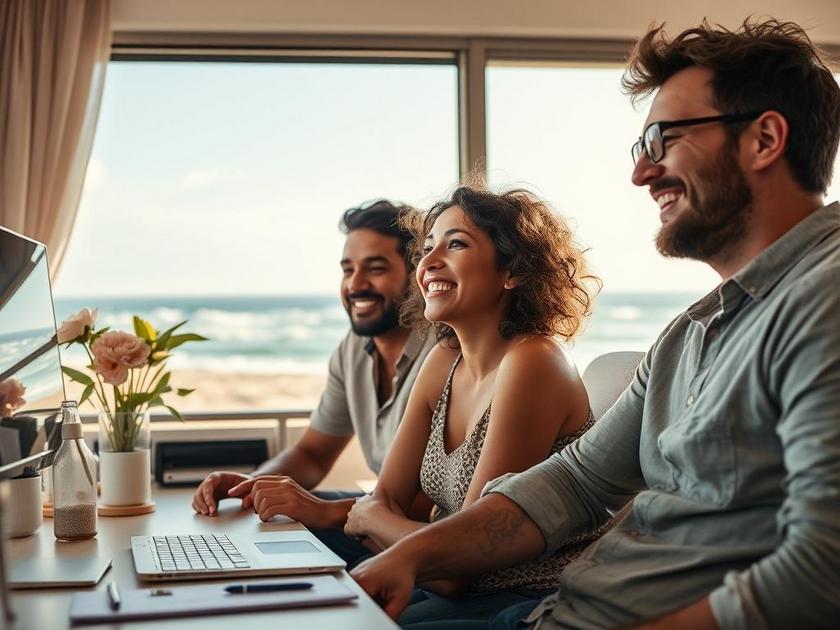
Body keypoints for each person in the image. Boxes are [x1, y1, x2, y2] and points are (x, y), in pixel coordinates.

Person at [350, 19, 840, 629]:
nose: (643, 173)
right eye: (642, 150)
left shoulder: (824, 297)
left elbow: (821, 573)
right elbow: (576, 483)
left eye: (663, 141)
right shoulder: (690, 334)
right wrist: (412, 554)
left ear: (764, 139)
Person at [343, 186, 603, 626]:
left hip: (527, 598)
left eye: (456, 244)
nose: (428, 263)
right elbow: (388, 500)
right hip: (440, 581)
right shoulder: (444, 359)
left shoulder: (534, 361)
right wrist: (375, 516)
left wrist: (372, 518)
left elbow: (460, 567)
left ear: (513, 272)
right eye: (427, 249)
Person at [192, 200, 436, 564]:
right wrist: (253, 484)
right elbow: (313, 454)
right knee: (253, 543)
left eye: (375, 268)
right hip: (379, 520)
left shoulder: (444, 352)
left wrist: (317, 508)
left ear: (416, 275)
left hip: (421, 535)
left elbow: (421, 503)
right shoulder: (352, 351)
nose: (356, 285)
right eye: (347, 270)